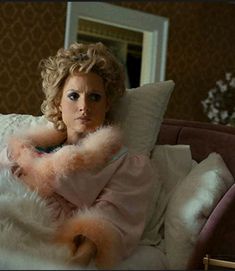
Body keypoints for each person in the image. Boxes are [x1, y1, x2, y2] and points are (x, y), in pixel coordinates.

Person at [0, 42, 154, 269]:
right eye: (73, 96)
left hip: (46, 229)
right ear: (58, 103)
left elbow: (109, 217)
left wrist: (78, 260)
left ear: (107, 103)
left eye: (94, 97)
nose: (84, 106)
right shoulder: (24, 148)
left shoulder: (124, 162)